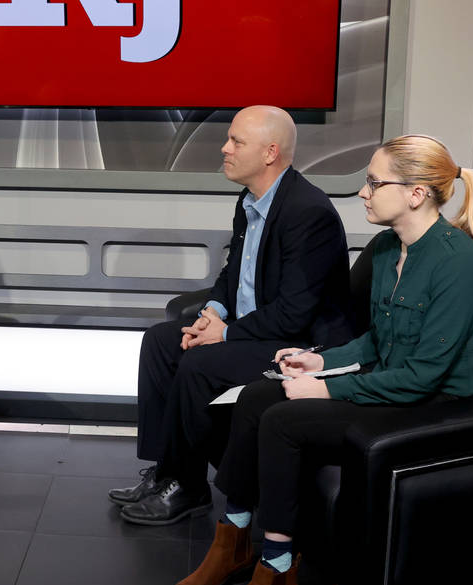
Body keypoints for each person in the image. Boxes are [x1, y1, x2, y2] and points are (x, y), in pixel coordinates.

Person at [180, 133, 473, 585]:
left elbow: (425, 376)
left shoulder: (456, 262)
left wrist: (330, 389)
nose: (363, 192)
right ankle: (235, 537)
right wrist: (319, 362)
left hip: (442, 406)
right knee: (258, 395)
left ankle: (278, 577)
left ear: (416, 193)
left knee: (285, 422)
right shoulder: (386, 249)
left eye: (375, 183)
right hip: (403, 385)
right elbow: (378, 342)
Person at [113, 105, 355, 526]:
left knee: (199, 362)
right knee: (160, 341)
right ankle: (166, 472)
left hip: (299, 343)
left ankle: (189, 489)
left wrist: (224, 336)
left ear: (269, 153)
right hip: (253, 329)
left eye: (236, 142)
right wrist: (212, 312)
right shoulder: (251, 199)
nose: (224, 148)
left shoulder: (307, 212)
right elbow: (233, 272)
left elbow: (295, 314)